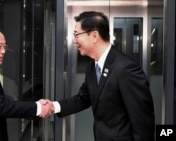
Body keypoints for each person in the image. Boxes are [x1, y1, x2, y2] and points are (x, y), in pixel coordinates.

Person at [49, 11, 155, 141]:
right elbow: (82, 99)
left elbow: (143, 121)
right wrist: (53, 107)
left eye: (76, 34)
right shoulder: (92, 68)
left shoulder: (125, 69)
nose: (74, 40)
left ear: (94, 36)